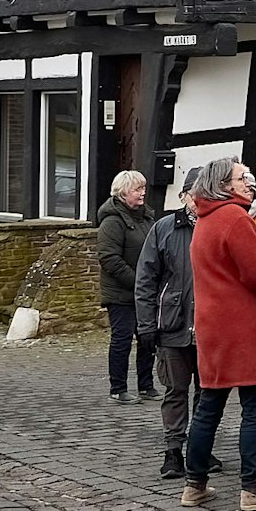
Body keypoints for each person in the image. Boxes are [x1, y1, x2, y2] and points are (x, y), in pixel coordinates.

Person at [180, 159, 256, 511]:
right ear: (224, 185)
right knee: (254, 407)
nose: (248, 182)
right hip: (240, 326)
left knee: (208, 406)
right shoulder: (234, 219)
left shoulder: (205, 219)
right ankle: (253, 488)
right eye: (241, 178)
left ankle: (194, 484)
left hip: (212, 325)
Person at [135, 166, 221, 481]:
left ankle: (200, 447)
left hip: (210, 326)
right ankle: (173, 451)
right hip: (172, 324)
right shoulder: (163, 229)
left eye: (205, 194)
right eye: (193, 194)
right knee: (175, 389)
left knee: (207, 391)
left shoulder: (218, 227)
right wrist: (145, 325)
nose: (198, 200)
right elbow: (146, 280)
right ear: (183, 195)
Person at [96, 170, 158, 404]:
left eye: (143, 188)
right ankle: (118, 388)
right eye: (137, 189)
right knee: (122, 340)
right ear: (123, 193)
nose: (142, 193)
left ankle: (146, 385)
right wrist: (139, 282)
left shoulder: (146, 218)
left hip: (144, 292)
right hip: (121, 294)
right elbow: (110, 260)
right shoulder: (112, 221)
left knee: (147, 339)